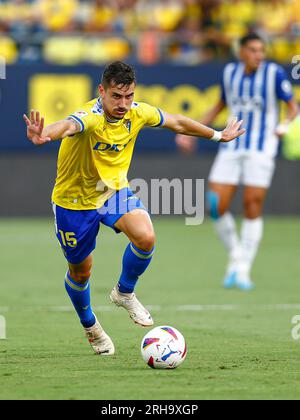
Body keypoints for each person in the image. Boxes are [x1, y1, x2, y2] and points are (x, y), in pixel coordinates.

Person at [23, 61, 244, 356]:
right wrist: (45, 134)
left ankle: (124, 292)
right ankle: (91, 327)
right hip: (73, 201)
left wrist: (218, 135)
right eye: (116, 96)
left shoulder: (138, 112)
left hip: (111, 191)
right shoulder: (89, 116)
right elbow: (67, 125)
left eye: (128, 96)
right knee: (80, 272)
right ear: (102, 91)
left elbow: (176, 122)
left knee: (146, 237)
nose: (123, 104)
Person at [176, 34, 298, 291]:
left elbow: (292, 106)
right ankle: (236, 255)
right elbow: (219, 105)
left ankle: (243, 269)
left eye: (262, 50)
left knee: (251, 204)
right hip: (231, 145)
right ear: (241, 52)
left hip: (261, 147)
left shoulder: (274, 74)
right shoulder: (229, 73)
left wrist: (285, 124)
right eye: (253, 50)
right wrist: (193, 131)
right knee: (214, 204)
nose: (259, 55)